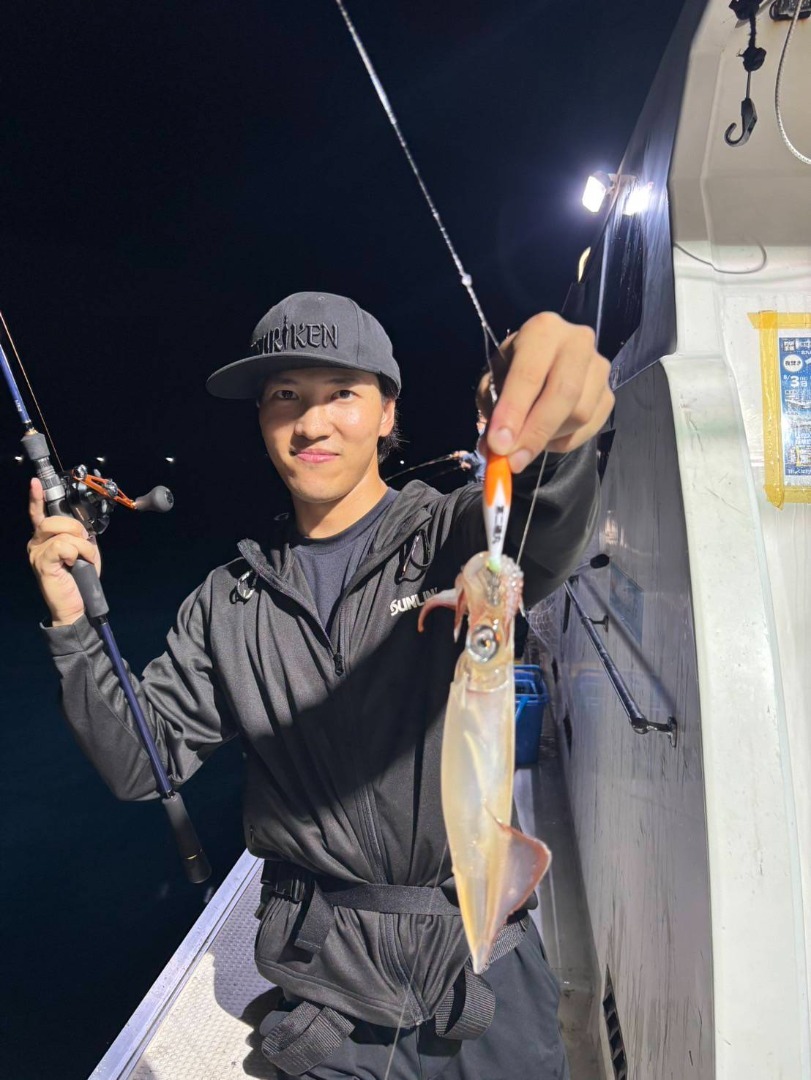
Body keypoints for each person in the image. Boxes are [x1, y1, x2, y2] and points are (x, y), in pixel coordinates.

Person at [27, 291, 612, 1079]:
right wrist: (72, 623)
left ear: (386, 412)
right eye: (285, 396)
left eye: (341, 392)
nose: (311, 423)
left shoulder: (453, 540)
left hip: (477, 972)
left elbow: (543, 521)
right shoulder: (226, 604)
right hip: (324, 998)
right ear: (262, 419)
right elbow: (142, 763)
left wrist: (558, 432)